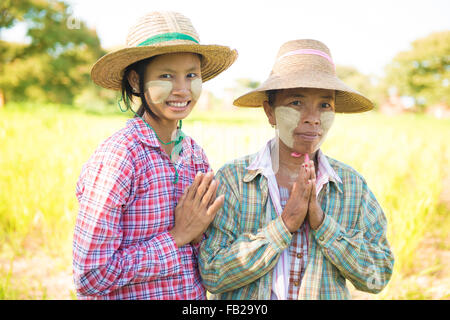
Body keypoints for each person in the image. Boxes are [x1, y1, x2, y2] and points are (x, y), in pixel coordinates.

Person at [198, 39, 394, 299]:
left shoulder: (351, 186)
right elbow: (212, 272)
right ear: (270, 111)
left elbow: (378, 275)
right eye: (296, 103)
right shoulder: (234, 181)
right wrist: (285, 224)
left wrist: (322, 224)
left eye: (325, 105)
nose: (312, 117)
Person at [72, 11, 237, 300]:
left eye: (191, 75)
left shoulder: (195, 156)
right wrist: (177, 237)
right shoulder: (120, 157)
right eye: (166, 76)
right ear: (136, 81)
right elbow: (90, 276)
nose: (182, 89)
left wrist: (199, 235)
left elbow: (204, 252)